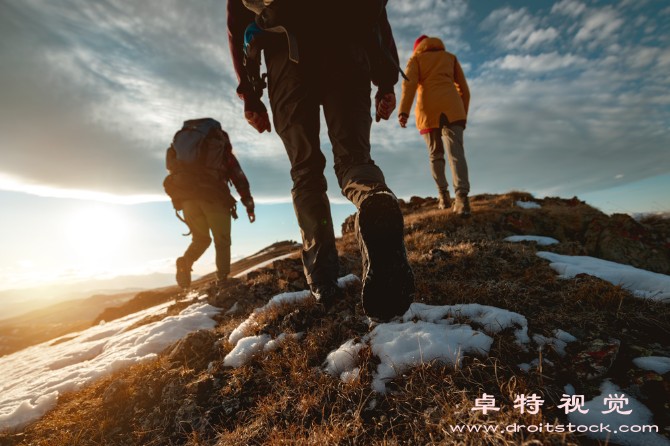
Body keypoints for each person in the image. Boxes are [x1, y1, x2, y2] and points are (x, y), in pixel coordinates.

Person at [226, 1, 415, 321]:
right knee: (354, 158)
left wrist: (252, 95)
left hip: (284, 54)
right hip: (348, 47)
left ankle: (324, 283)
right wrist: (385, 82)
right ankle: (373, 198)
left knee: (305, 171)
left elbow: (237, 18)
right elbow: (376, 15)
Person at [165, 118, 256, 290]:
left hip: (188, 201)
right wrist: (249, 205)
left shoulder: (184, 153)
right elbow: (239, 179)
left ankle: (186, 261)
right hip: (214, 199)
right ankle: (222, 280)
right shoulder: (222, 153)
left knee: (200, 239)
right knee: (221, 241)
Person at [398, 35, 472, 218]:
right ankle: (462, 199)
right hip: (453, 108)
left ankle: (443, 197)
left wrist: (403, 111)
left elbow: (409, 84)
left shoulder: (416, 59)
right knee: (456, 152)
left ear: (417, 48)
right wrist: (461, 115)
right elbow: (464, 89)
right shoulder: (450, 57)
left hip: (427, 110)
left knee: (435, 154)